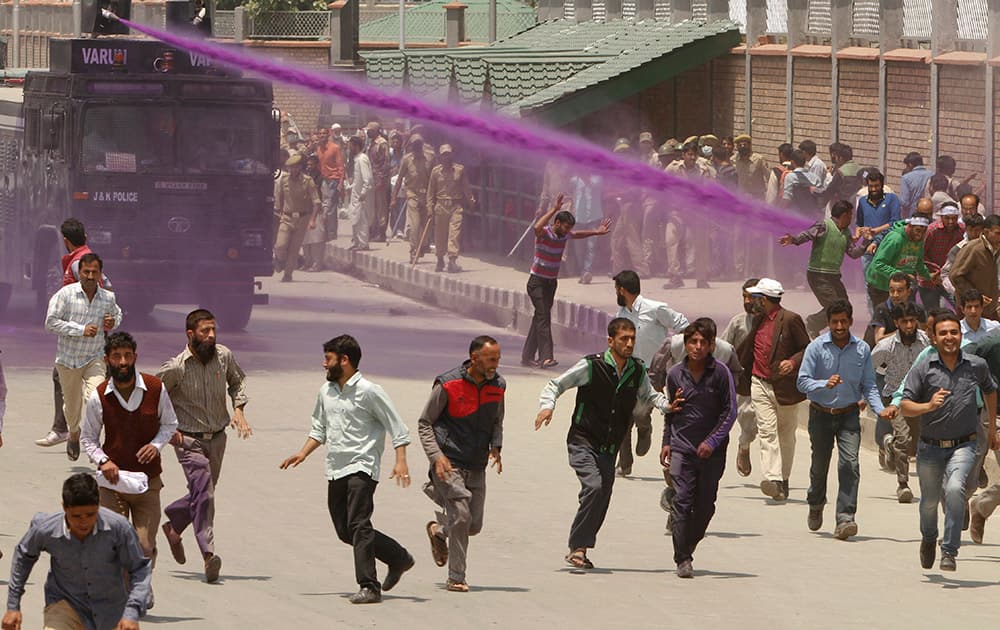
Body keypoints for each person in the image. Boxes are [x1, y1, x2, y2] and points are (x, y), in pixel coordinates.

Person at [280, 335, 413, 604]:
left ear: (345, 360)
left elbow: (396, 426)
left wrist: (401, 460)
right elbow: (319, 429)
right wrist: (302, 453)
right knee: (345, 531)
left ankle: (369, 586)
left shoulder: (370, 391)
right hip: (336, 467)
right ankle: (398, 557)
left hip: (363, 466)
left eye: (328, 359)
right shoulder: (325, 392)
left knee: (358, 523)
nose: (323, 364)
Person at [534, 318, 670, 570]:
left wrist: (667, 406)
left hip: (610, 447)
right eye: (623, 339)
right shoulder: (591, 366)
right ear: (610, 341)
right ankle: (577, 547)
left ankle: (580, 550)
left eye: (632, 339)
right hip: (583, 440)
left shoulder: (637, 370)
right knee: (595, 488)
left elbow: (648, 394)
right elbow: (557, 384)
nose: (629, 344)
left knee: (601, 497)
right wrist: (547, 406)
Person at [80, 332, 177, 611]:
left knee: (144, 545)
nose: (123, 361)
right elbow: (88, 438)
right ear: (107, 360)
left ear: (135, 357)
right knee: (115, 546)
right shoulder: (99, 396)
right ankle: (128, 595)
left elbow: (170, 424)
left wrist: (156, 445)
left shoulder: (155, 388)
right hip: (112, 483)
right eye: (116, 356)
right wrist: (103, 461)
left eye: (127, 356)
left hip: (148, 483)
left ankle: (141, 587)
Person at [157, 309, 252, 584]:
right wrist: (168, 430)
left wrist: (239, 409)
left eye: (213, 330)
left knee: (203, 493)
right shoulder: (176, 368)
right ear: (190, 334)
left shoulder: (223, 356)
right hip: (188, 440)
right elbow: (153, 398)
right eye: (204, 332)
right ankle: (209, 555)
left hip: (218, 437)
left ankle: (174, 525)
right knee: (205, 495)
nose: (211, 336)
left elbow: (238, 381)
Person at [901, 312, 998, 571]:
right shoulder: (924, 367)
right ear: (934, 337)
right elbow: (905, 405)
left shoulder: (976, 365)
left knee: (956, 490)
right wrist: (928, 405)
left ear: (960, 335)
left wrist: (990, 429)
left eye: (954, 332)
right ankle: (929, 537)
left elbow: (990, 390)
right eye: (943, 333)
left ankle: (949, 550)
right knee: (929, 502)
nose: (949, 338)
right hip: (930, 447)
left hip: (964, 444)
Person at [3, 474, 151, 630]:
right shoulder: (46, 529)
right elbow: (23, 556)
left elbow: (139, 568)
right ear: (64, 507)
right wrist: (13, 606)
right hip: (64, 604)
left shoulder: (119, 528)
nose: (84, 522)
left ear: (99, 505)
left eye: (90, 514)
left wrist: (131, 612)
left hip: (111, 611)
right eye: (76, 516)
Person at [418, 336, 504, 592]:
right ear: (474, 358)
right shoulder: (448, 384)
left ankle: (438, 530)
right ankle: (456, 577)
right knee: (463, 516)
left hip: (476, 463)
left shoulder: (498, 384)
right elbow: (424, 423)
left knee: (473, 525)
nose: (495, 365)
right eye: (491, 359)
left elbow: (497, 419)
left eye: (498, 359)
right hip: (449, 462)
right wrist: (436, 456)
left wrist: (497, 446)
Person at [797, 301, 887, 539]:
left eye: (843, 321)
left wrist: (880, 410)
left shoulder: (862, 350)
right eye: (834, 322)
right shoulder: (816, 348)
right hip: (820, 414)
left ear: (850, 321)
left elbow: (869, 385)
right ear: (828, 323)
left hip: (848, 414)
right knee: (819, 467)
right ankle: (816, 503)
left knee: (850, 465)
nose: (839, 326)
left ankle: (845, 518)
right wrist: (822, 384)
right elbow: (802, 381)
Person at [659, 320, 736, 578]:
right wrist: (666, 442)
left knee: (705, 505)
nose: (698, 347)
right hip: (682, 448)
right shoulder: (675, 375)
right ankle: (683, 558)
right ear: (686, 343)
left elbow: (730, 411)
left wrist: (712, 441)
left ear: (712, 345)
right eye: (693, 341)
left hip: (712, 453)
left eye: (704, 342)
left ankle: (688, 543)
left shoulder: (721, 373)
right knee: (682, 501)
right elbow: (671, 412)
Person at [37, 218, 112, 449]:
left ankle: (69, 431)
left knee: (87, 386)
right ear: (86, 237)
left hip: (85, 339)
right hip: (82, 337)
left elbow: (106, 288)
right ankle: (72, 430)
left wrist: (92, 320)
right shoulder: (84, 258)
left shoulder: (78, 263)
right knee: (70, 383)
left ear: (66, 241)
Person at [736, 278, 811, 502]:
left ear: (765, 300)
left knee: (786, 435)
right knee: (767, 431)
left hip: (785, 387)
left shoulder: (790, 319)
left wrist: (793, 362)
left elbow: (807, 347)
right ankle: (773, 478)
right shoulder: (758, 321)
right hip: (759, 382)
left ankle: (783, 479)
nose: (751, 302)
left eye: (755, 298)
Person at [45, 253, 122, 462]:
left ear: (100, 274)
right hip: (68, 359)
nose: (89, 276)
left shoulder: (107, 297)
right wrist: (80, 329)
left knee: (96, 398)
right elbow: (50, 322)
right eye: (86, 272)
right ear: (80, 272)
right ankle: (74, 433)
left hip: (94, 357)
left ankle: (92, 442)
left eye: (94, 272)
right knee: (72, 408)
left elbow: (117, 315)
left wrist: (112, 322)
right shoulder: (65, 295)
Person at [521, 196, 611, 369]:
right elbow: (536, 227)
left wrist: (597, 232)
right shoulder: (544, 233)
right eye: (566, 226)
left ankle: (527, 356)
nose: (568, 230)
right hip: (536, 282)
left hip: (550, 283)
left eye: (570, 228)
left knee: (539, 316)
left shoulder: (564, 235)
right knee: (544, 316)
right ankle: (546, 357)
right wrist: (554, 209)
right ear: (557, 223)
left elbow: (578, 234)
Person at [613, 270, 689, 476]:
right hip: (628, 370)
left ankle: (644, 428)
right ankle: (625, 463)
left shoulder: (655, 309)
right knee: (621, 418)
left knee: (639, 413)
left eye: (616, 289)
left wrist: (674, 354)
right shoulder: (621, 314)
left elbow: (683, 325)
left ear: (622, 290)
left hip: (653, 372)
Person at [779, 199, 871, 338]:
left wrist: (866, 241)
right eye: (850, 215)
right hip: (818, 275)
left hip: (834, 276)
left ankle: (832, 331)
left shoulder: (845, 232)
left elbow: (853, 253)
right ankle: (813, 323)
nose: (852, 218)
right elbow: (808, 234)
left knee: (845, 306)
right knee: (833, 307)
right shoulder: (824, 226)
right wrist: (794, 240)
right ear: (844, 215)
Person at [871, 302, 930, 502]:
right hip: (894, 398)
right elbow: (867, 370)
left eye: (912, 321)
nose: (909, 325)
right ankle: (903, 484)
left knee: (916, 444)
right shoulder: (886, 347)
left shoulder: (925, 342)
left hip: (919, 400)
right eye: (904, 321)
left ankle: (890, 444)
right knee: (904, 439)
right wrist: (865, 396)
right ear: (896, 323)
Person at [721, 279, 760, 477]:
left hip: (767, 378)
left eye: (751, 297)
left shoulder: (774, 321)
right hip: (743, 380)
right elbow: (723, 348)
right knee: (748, 418)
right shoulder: (737, 323)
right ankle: (744, 447)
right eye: (744, 296)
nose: (747, 301)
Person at [273, 153, 321, 282]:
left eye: (295, 167)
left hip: (302, 219)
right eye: (290, 167)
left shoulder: (308, 181)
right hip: (287, 218)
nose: (293, 170)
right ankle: (280, 260)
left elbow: (316, 202)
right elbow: (280, 199)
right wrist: (281, 213)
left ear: (300, 167)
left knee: (294, 248)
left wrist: (312, 220)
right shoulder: (283, 180)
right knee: (280, 245)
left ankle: (288, 274)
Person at [866, 216, 933, 307]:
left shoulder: (918, 240)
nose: (920, 235)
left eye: (924, 231)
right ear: (909, 226)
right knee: (884, 317)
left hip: (901, 286)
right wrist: (902, 276)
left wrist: (929, 277)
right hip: (881, 286)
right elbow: (878, 264)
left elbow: (918, 262)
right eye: (918, 230)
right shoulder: (895, 239)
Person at [426, 145, 474, 273]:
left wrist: (471, 202)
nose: (446, 157)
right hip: (440, 206)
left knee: (454, 233)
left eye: (448, 154)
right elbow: (430, 191)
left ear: (452, 155)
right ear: (440, 156)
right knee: (440, 234)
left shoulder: (459, 170)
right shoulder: (435, 171)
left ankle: (452, 260)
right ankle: (440, 259)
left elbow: (466, 188)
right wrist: (429, 207)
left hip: (456, 206)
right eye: (444, 155)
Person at [392, 133, 434, 264]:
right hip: (412, 195)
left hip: (426, 196)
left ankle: (422, 246)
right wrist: (394, 197)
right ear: (411, 146)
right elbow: (399, 180)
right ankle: (413, 251)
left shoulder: (430, 158)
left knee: (426, 226)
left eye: (419, 144)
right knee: (415, 225)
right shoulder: (406, 159)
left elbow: (435, 179)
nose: (416, 147)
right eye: (414, 145)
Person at [950, 214, 1000, 321]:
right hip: (970, 309)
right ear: (986, 232)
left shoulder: (996, 249)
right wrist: (975, 296)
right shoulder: (974, 249)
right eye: (998, 233)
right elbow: (955, 276)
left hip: (989, 309)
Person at [920, 203, 964, 309]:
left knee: (960, 308)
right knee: (932, 313)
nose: (950, 221)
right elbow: (921, 254)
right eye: (947, 218)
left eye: (954, 218)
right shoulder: (931, 231)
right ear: (941, 217)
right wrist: (932, 272)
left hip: (951, 278)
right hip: (930, 279)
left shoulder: (962, 230)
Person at [941, 212, 984, 298]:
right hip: (965, 297)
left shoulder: (990, 247)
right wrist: (957, 291)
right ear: (966, 229)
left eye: (977, 230)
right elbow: (945, 273)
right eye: (970, 230)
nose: (974, 234)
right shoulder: (957, 249)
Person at [316, 125, 346, 241]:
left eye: (324, 134)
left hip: (334, 179)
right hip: (324, 180)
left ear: (328, 135)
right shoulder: (318, 148)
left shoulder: (335, 148)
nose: (322, 136)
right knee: (325, 206)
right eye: (320, 134)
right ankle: (326, 231)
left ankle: (332, 234)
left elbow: (340, 165)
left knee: (332, 207)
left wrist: (341, 182)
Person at [346, 135, 375, 252]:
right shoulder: (356, 158)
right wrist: (350, 187)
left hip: (362, 196)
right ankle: (356, 242)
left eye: (351, 146)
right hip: (355, 194)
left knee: (361, 219)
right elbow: (358, 179)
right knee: (355, 218)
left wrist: (363, 192)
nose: (349, 148)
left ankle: (363, 244)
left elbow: (367, 179)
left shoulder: (362, 159)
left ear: (356, 146)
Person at [365, 122, 391, 243]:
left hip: (380, 179)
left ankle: (381, 233)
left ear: (376, 130)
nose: (367, 132)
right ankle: (373, 231)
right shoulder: (371, 143)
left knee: (381, 207)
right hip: (372, 178)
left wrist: (381, 179)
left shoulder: (382, 143)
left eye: (369, 130)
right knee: (373, 206)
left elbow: (386, 163)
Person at [899, 152, 932, 216]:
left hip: (913, 215)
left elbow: (905, 202)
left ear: (910, 164)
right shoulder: (932, 174)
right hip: (929, 213)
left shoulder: (906, 178)